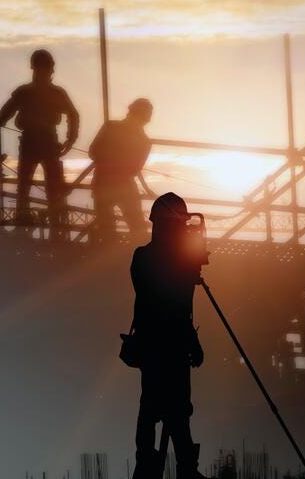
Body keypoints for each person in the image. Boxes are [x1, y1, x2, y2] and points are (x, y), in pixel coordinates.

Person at [130, 193, 207, 479]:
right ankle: (156, 467)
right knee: (160, 409)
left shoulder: (152, 258)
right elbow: (171, 303)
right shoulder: (149, 259)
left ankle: (176, 468)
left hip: (164, 345)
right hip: (163, 346)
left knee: (172, 410)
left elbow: (183, 307)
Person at [0, 49, 79, 239]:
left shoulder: (36, 92)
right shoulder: (35, 92)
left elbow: (73, 115)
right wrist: (70, 139)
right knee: (31, 184)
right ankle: (43, 220)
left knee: (35, 184)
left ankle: (47, 220)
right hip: (40, 141)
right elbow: (9, 108)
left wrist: (71, 139)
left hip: (40, 141)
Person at [89, 98, 152, 241]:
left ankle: (109, 256)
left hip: (103, 182)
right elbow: (135, 169)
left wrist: (109, 159)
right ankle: (136, 257)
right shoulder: (144, 141)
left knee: (106, 228)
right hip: (124, 185)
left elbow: (93, 152)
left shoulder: (111, 127)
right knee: (137, 227)